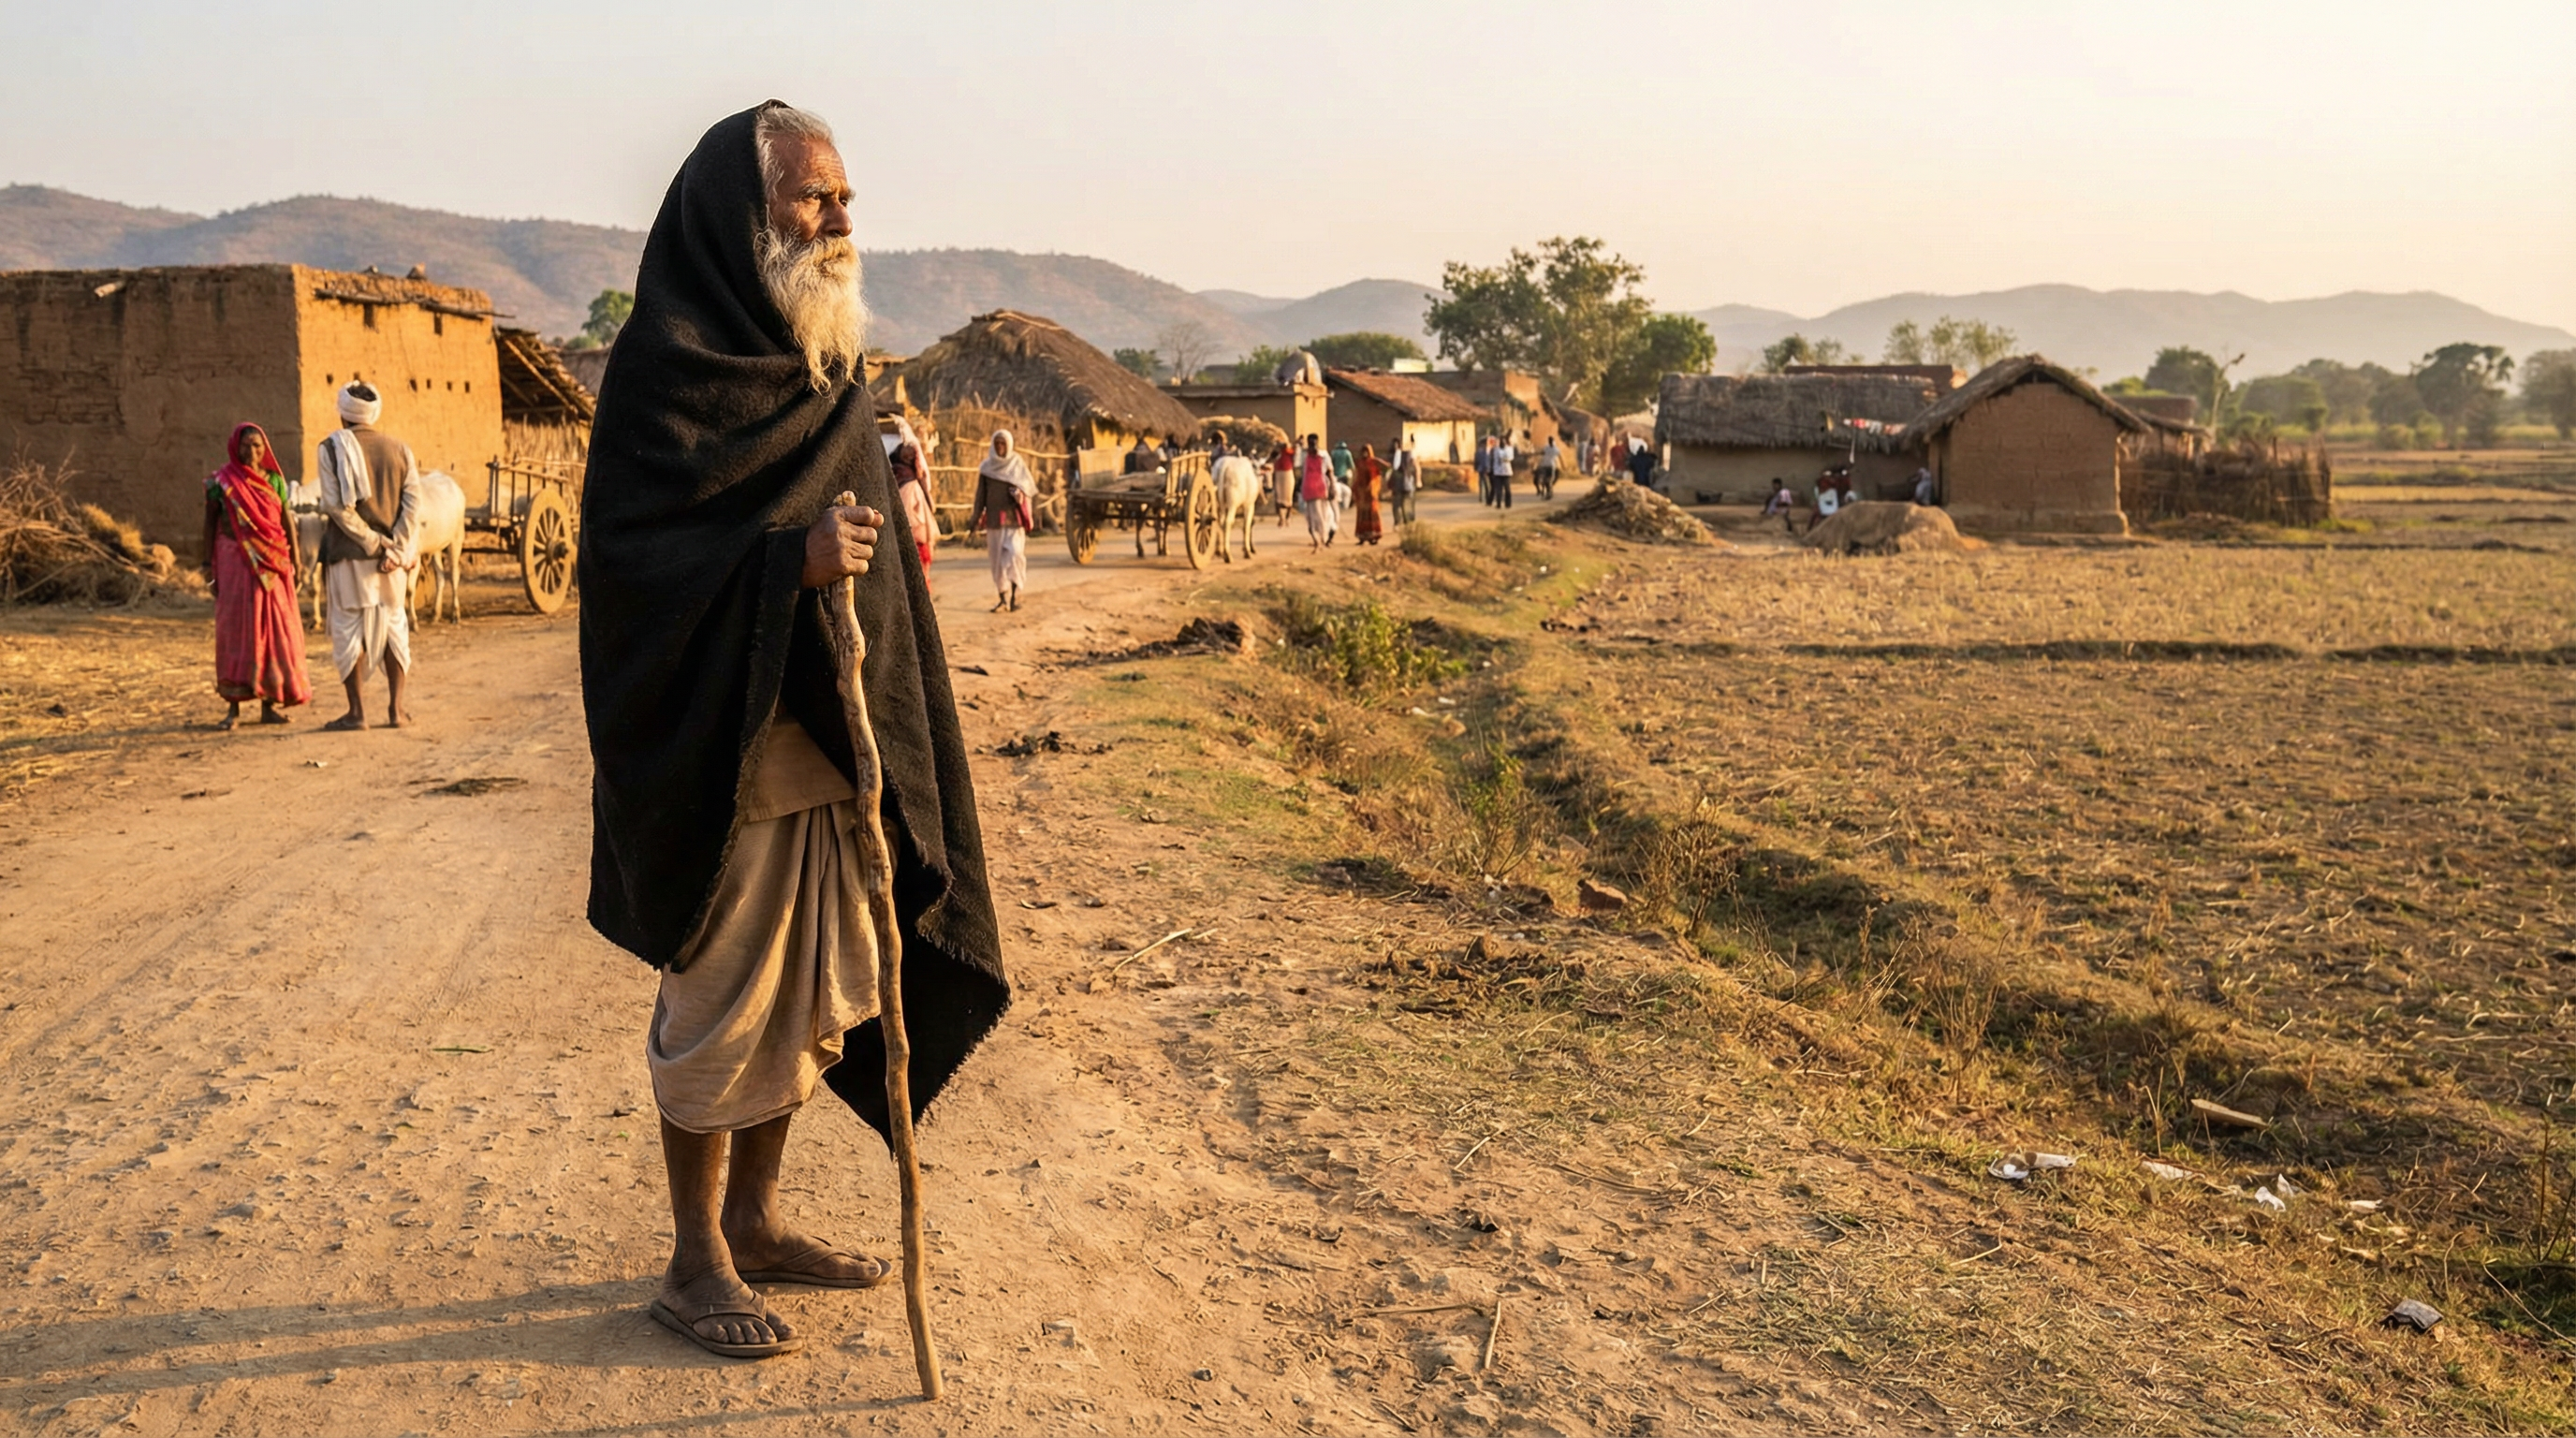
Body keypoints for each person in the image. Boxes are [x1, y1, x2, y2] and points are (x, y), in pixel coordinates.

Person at [578, 102, 1009, 1362]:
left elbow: (882, 580)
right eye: (815, 197)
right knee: (720, 1002)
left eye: (844, 196)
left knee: (819, 992)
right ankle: (694, 1254)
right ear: (740, 214)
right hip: (724, 751)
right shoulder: (667, 375)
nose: (842, 219)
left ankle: (760, 1220)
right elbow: (637, 576)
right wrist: (787, 568)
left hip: (834, 744)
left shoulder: (827, 374)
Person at [314, 380, 421, 731]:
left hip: (349, 556)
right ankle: (397, 711)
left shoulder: (330, 448)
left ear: (343, 413)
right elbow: (412, 505)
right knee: (394, 627)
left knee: (348, 631)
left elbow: (335, 506)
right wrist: (397, 548)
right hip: (392, 562)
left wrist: (373, 543)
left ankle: (357, 714)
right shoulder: (399, 449)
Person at [201, 421, 311, 728]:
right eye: (247, 445)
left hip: (273, 564)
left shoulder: (274, 482)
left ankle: (269, 703)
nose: (252, 451)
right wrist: (206, 566)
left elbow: (286, 521)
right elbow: (209, 524)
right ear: (235, 447)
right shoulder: (221, 483)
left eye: (258, 446)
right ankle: (233, 709)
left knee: (273, 632)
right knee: (235, 630)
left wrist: (296, 561)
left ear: (266, 450)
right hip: (234, 561)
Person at [971, 431, 1036, 612]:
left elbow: (1027, 490)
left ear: (1009, 445)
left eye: (1003, 444)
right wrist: (974, 520)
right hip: (993, 521)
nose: (1000, 447)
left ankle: (1014, 597)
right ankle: (1002, 598)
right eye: (997, 443)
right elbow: (980, 497)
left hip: (1013, 521)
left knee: (1015, 555)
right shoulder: (986, 468)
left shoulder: (1017, 466)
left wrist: (1019, 496)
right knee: (997, 562)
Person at [883, 417, 936, 589]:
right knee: (917, 544)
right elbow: (922, 475)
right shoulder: (912, 449)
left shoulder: (889, 451)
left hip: (898, 497)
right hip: (912, 498)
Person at [1297, 433, 1337, 548]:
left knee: (1321, 515)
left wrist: (1332, 488)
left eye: (1314, 443)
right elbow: (1298, 467)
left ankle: (1323, 538)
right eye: (1310, 443)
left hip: (1320, 488)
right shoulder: (1304, 455)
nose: (1312, 445)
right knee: (1310, 517)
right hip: (1308, 488)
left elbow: (1330, 472)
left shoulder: (1323, 455)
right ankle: (1317, 539)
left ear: (1317, 442)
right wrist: (1299, 447)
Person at [1351, 443, 1386, 546]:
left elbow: (1384, 469)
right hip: (1362, 494)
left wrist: (1375, 486)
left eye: (1367, 451)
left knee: (1372, 514)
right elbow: (1357, 476)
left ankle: (1373, 536)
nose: (1365, 453)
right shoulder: (1359, 463)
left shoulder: (1374, 462)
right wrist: (1355, 489)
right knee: (1362, 516)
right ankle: (1362, 537)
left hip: (1371, 494)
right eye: (1363, 451)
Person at [1388, 435, 1421, 526]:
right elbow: (1391, 470)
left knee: (1407, 505)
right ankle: (1398, 523)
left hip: (1407, 483)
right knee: (1397, 505)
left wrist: (1418, 480)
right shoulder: (1394, 456)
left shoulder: (1409, 454)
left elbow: (1416, 467)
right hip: (1399, 484)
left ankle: (1408, 523)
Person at [1268, 441, 1297, 519]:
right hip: (1279, 474)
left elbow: (1295, 451)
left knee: (1288, 496)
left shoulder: (1289, 452)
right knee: (1279, 496)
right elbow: (1271, 458)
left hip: (1288, 473)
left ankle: (1287, 515)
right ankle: (1281, 517)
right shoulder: (1276, 453)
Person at [1490, 433, 1516, 509]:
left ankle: (1508, 504)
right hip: (1498, 472)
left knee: (1507, 490)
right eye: (1501, 441)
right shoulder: (1496, 450)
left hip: (1506, 472)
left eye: (1503, 441)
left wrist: (1504, 457)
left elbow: (1510, 458)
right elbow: (1492, 444)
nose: (1502, 443)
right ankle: (1498, 504)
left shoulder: (1509, 449)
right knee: (1499, 490)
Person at [1534, 435, 1561, 500]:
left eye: (1551, 440)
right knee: (1546, 480)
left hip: (1551, 466)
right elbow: (1542, 453)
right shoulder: (1546, 447)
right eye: (1549, 440)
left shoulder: (1556, 449)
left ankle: (1549, 493)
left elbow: (1560, 457)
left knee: (1549, 480)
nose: (1550, 442)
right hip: (1545, 465)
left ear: (1553, 441)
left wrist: (1562, 465)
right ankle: (1549, 493)